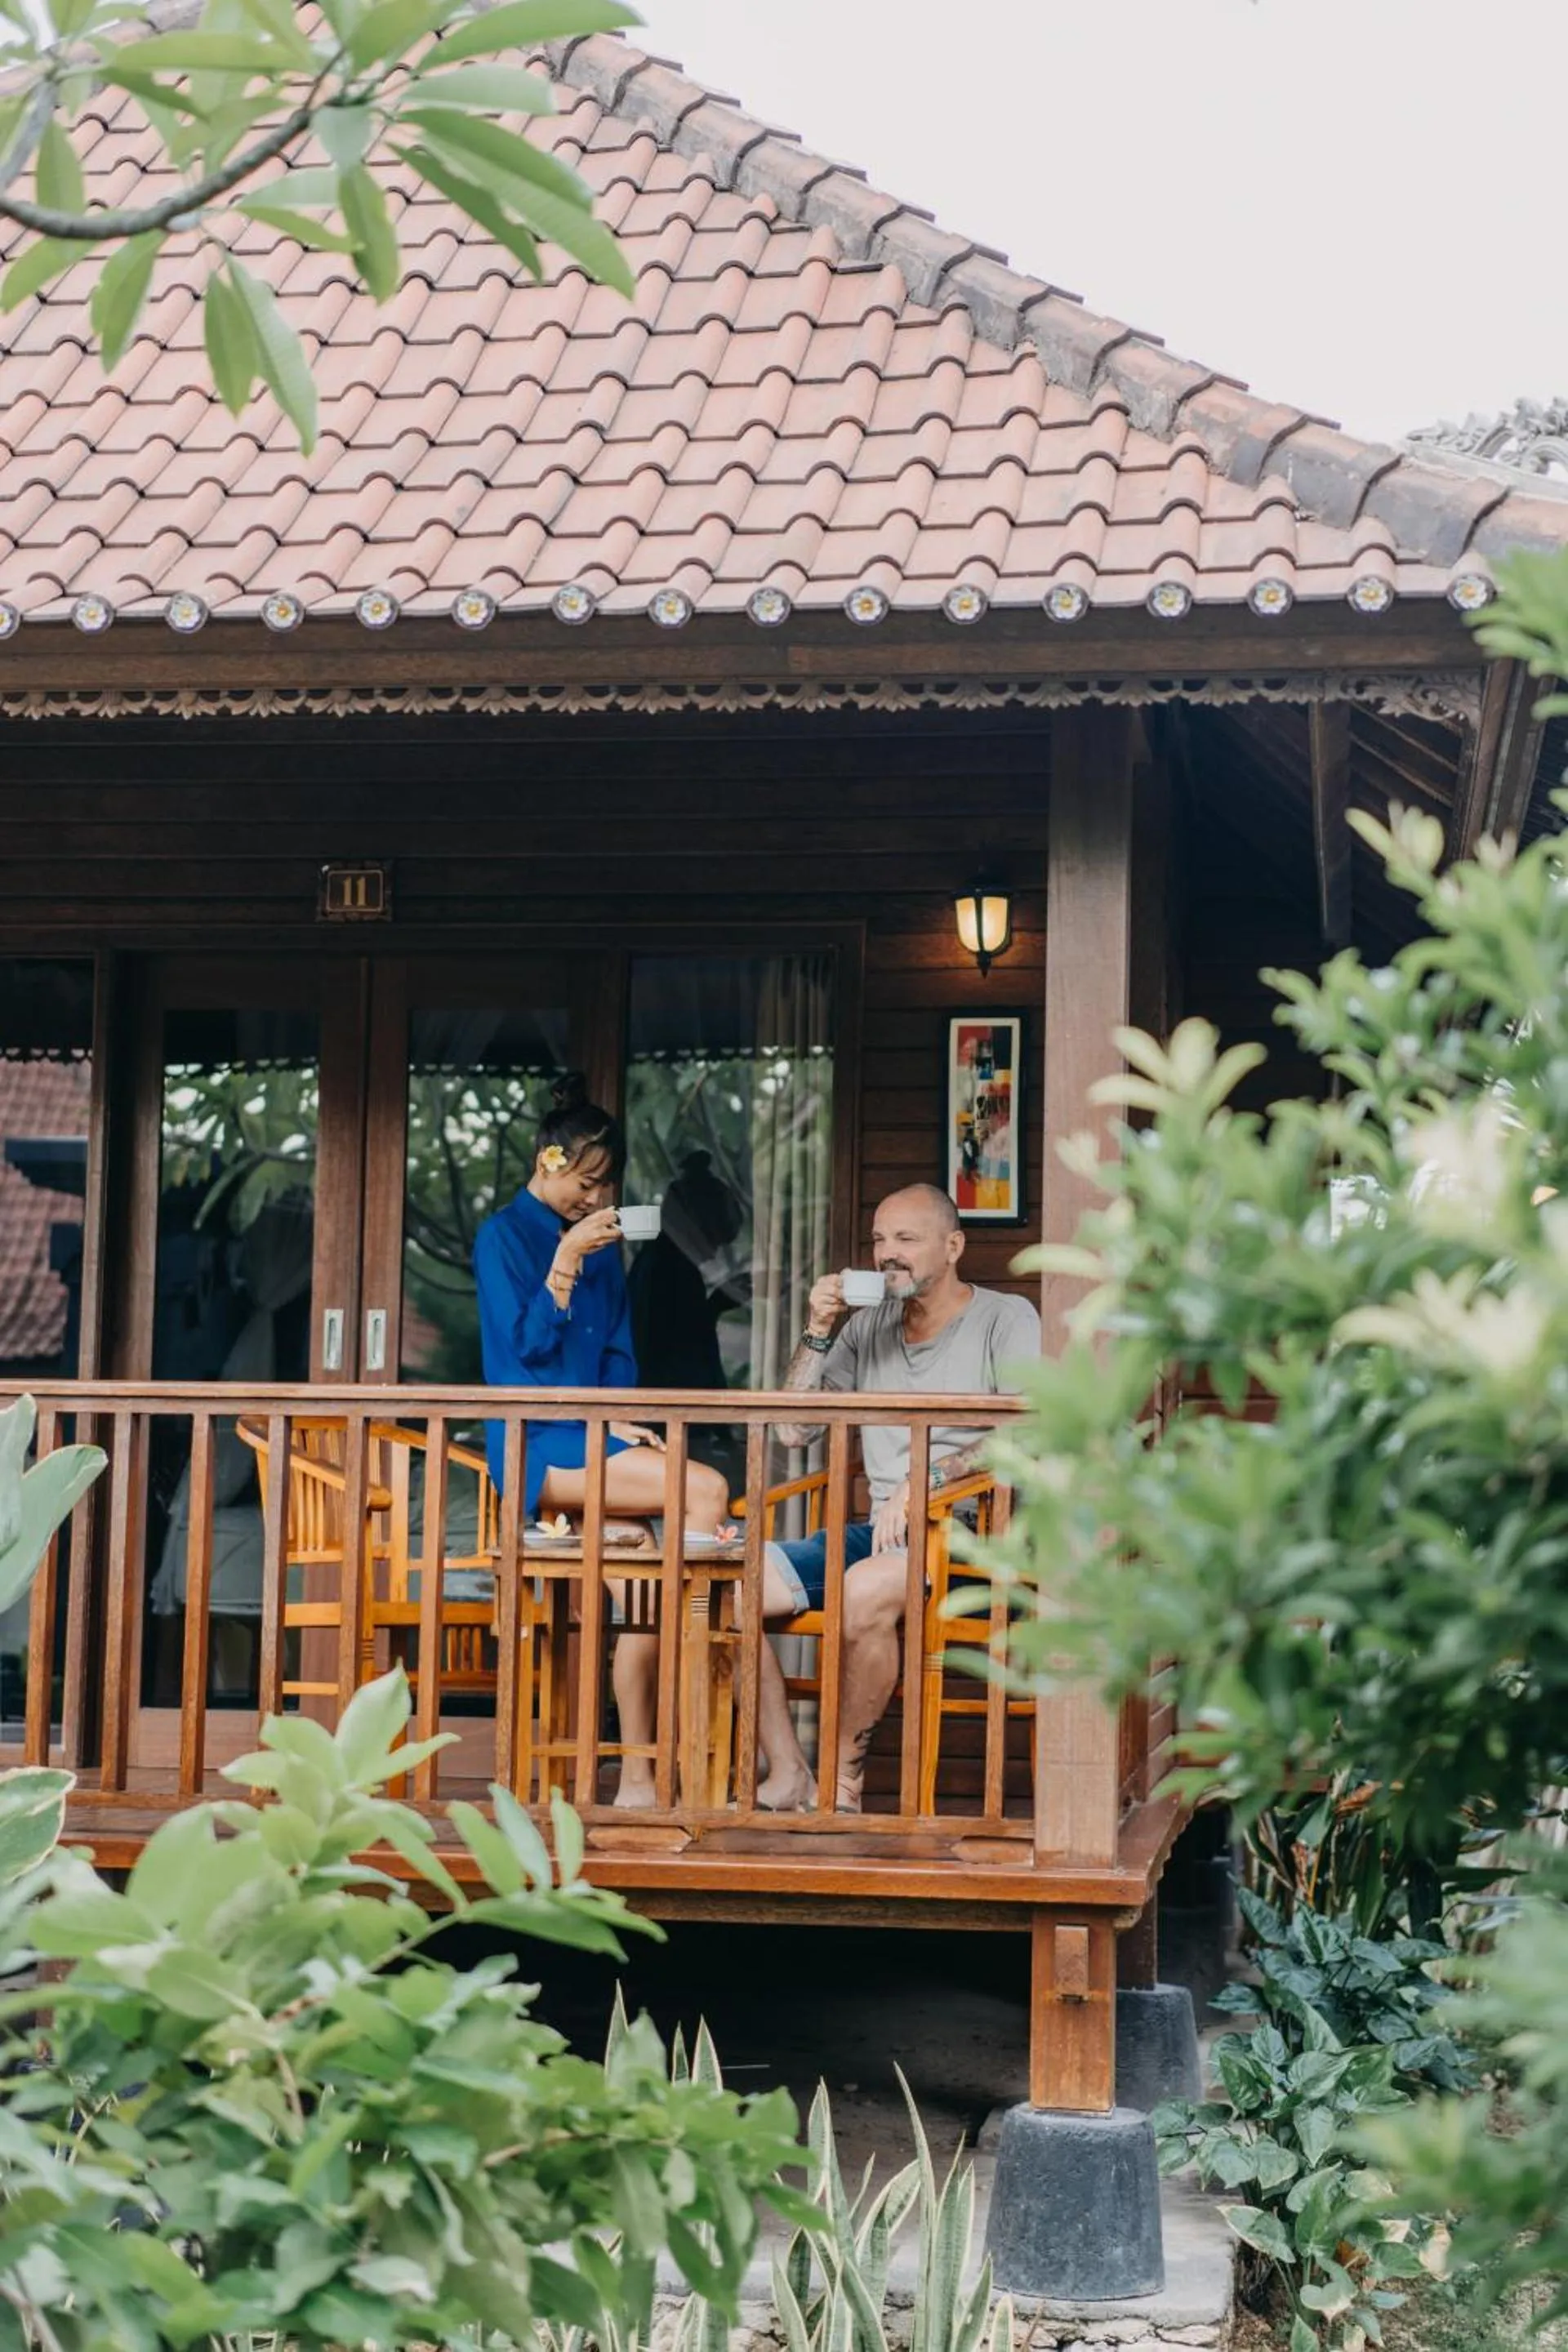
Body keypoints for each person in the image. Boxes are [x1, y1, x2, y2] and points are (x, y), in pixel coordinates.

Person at [473, 1074, 731, 1807]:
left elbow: (618, 1354)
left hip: (592, 1438)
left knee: (641, 1580)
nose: (594, 1198)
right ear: (548, 1161)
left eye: (605, 1184)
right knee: (706, 1490)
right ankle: (697, 1683)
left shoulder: (608, 1249)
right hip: (536, 1445)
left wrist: (618, 1416)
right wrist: (566, 1260)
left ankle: (639, 1778)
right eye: (584, 1181)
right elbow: (519, 1354)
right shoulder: (503, 1238)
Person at [755, 1183, 1040, 1811]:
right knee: (731, 1588)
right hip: (883, 1534)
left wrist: (924, 1481)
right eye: (880, 1240)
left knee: (864, 1587)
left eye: (906, 1240)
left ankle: (843, 1781)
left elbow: (1028, 1426)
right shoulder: (866, 1326)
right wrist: (818, 1329)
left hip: (976, 1532)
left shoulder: (1006, 1318)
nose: (888, 1254)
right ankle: (789, 1771)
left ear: (953, 1246)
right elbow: (792, 1428)